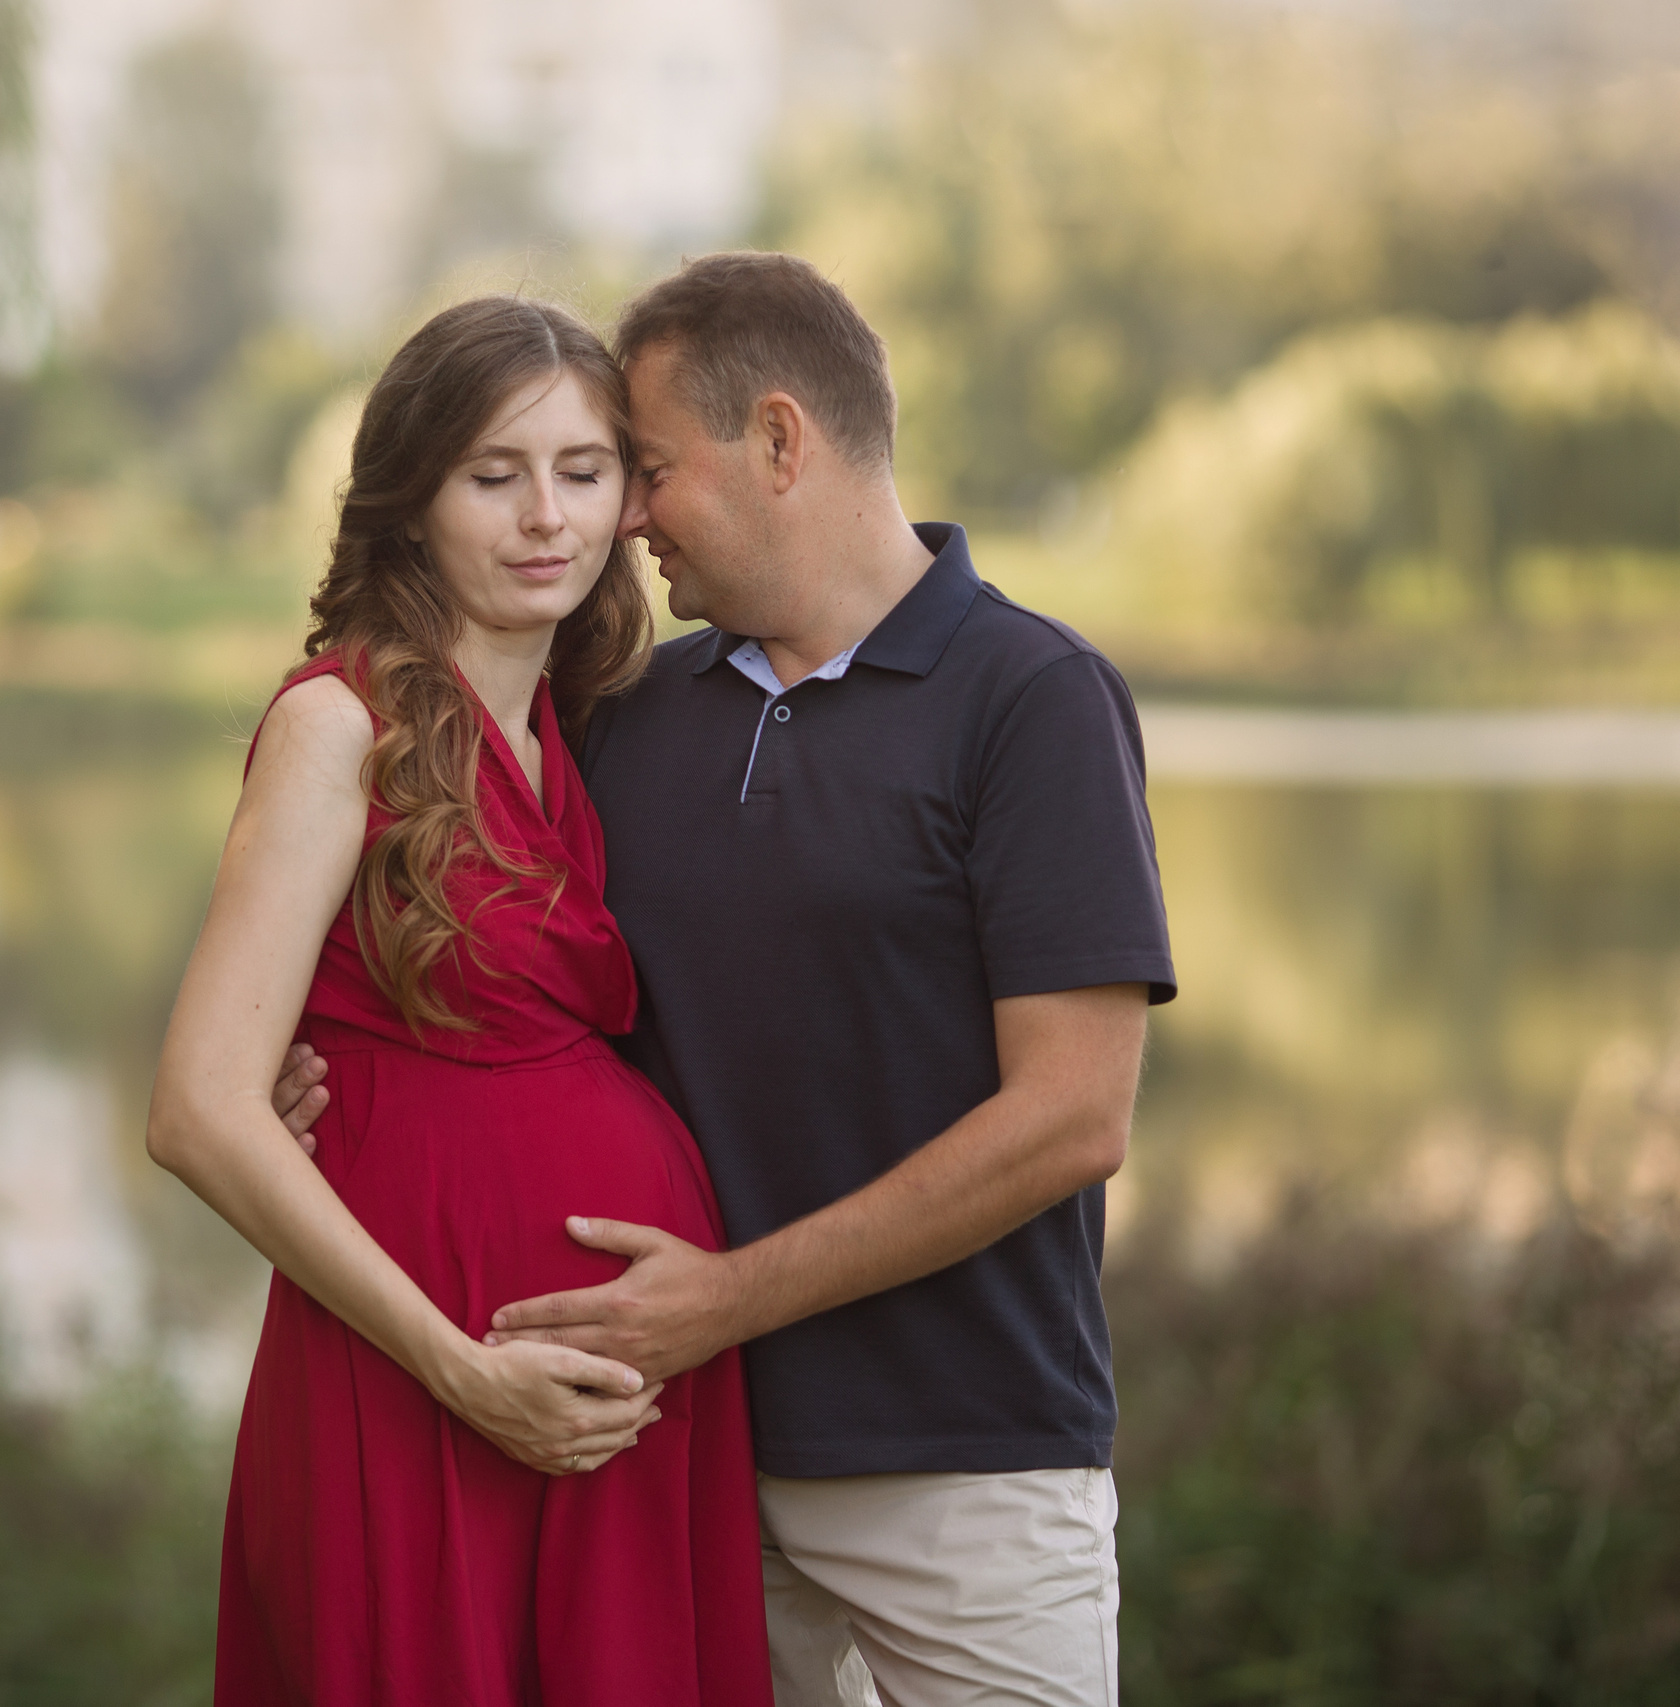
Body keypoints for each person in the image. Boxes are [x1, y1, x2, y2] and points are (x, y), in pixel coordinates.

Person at [275, 253, 1178, 1706]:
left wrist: (725, 1300)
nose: (618, 520)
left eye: (640, 470)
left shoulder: (1031, 701)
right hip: (675, 1464)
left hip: (959, 1467)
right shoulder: (631, 715)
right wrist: (318, 1066)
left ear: (776, 441)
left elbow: (1074, 1117)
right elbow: (480, 957)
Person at [147, 295, 771, 1706]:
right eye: (495, 475)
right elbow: (198, 1109)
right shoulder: (337, 724)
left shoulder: (582, 724)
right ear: (411, 501)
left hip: (613, 1400)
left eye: (584, 470)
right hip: (416, 1379)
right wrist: (462, 1373)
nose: (545, 514)